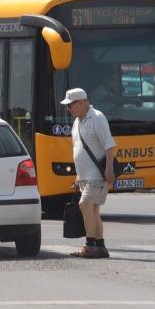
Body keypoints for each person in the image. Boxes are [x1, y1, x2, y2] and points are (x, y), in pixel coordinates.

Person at [61, 88, 116, 259]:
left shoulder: (97, 118)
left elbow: (109, 145)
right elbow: (79, 149)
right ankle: (100, 246)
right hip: (85, 175)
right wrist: (78, 175)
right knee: (93, 210)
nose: (69, 109)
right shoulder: (78, 122)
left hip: (97, 175)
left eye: (71, 105)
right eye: (67, 106)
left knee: (84, 205)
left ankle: (90, 245)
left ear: (83, 102)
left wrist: (109, 169)